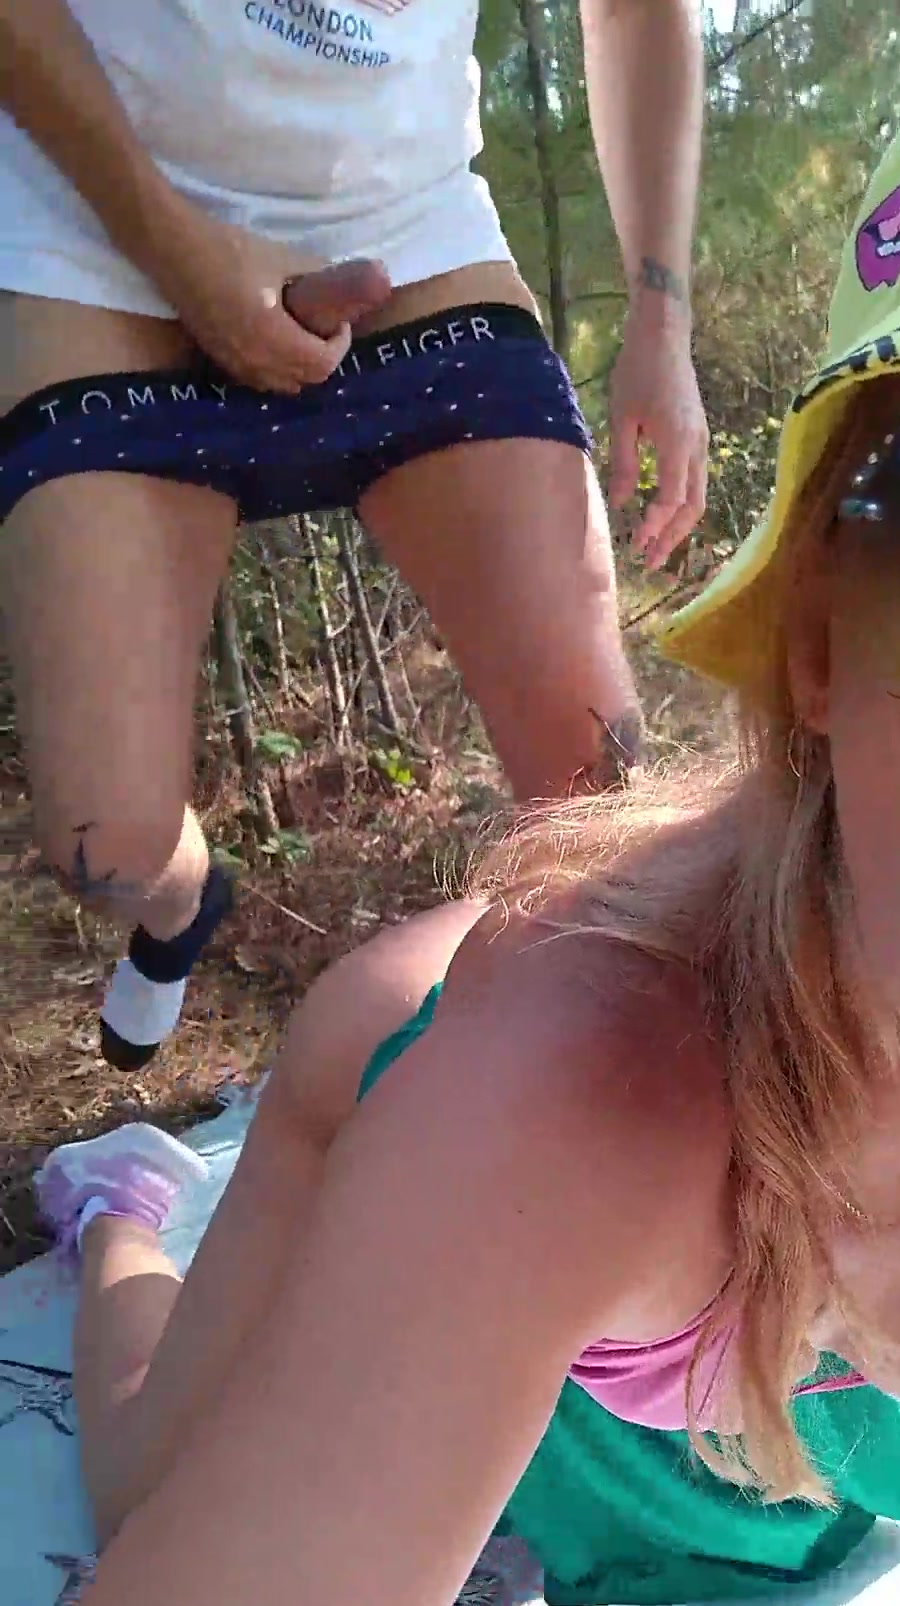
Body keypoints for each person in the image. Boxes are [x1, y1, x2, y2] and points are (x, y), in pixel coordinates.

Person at [4, 5, 900, 1606]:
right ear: (818, 643)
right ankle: (126, 1210)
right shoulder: (581, 1099)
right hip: (413, 1086)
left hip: (685, 1308)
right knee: (147, 1484)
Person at [0, 0, 709, 1071]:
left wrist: (661, 318)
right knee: (108, 849)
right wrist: (183, 260)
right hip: (91, 239)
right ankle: (183, 905)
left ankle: (606, 1079)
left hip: (413, 242)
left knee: (599, 795)